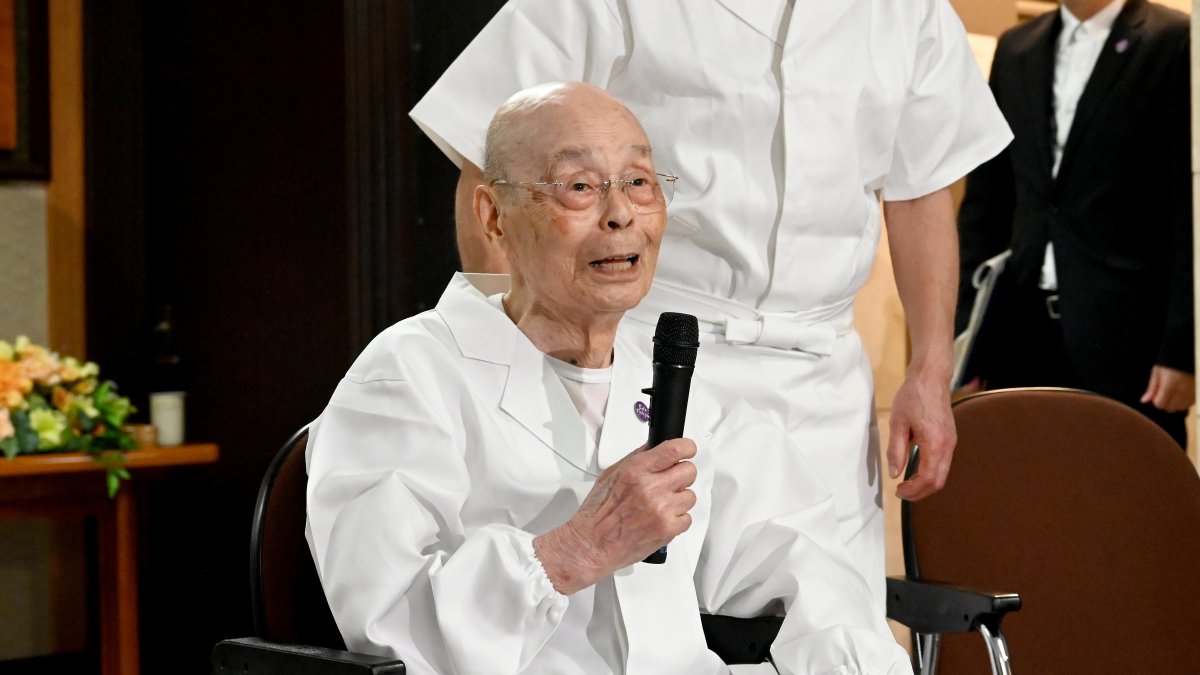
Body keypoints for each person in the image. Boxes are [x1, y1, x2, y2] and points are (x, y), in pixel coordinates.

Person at [409, 0, 1013, 607]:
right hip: (647, 359)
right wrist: (511, 356)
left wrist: (931, 369)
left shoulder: (911, 11)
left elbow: (920, 191)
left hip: (828, 390)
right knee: (640, 618)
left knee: (833, 621)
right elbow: (488, 167)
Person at [306, 82, 911, 674]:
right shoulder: (407, 377)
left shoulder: (675, 383)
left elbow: (809, 568)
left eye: (639, 183)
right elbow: (390, 628)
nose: (621, 214)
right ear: (494, 216)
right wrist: (575, 549)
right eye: (579, 187)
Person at [956, 0, 1193, 446]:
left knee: (1131, 483)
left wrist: (1183, 351)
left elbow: (1190, 212)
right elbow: (986, 205)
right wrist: (969, 339)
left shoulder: (1174, 40)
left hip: (1130, 346)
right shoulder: (1017, 48)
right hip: (1021, 334)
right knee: (1029, 481)